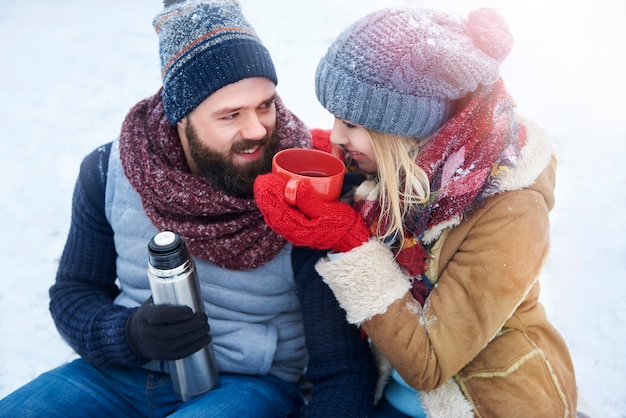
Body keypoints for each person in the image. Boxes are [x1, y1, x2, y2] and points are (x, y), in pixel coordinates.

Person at [0, 1, 378, 417]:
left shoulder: (304, 188)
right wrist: (129, 334)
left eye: (265, 105)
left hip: (247, 387)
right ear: (181, 118)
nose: (256, 129)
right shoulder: (109, 172)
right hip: (118, 376)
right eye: (230, 115)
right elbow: (74, 294)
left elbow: (342, 369)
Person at [254, 6, 579, 418]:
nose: (337, 135)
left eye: (351, 124)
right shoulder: (412, 164)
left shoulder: (511, 210)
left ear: (406, 127)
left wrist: (352, 244)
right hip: (390, 392)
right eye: (335, 119)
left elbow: (429, 364)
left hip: (479, 402)